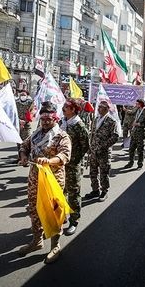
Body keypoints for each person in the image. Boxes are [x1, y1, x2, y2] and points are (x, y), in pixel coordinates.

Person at [18, 102, 71, 264]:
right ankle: (37, 241)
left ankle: (55, 246)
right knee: (34, 210)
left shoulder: (61, 136)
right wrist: (23, 157)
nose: (46, 121)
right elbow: (24, 147)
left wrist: (49, 161)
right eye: (43, 119)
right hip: (34, 180)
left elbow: (64, 156)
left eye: (49, 118)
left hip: (52, 180)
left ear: (55, 118)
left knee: (54, 213)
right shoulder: (35, 134)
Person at [61, 98, 89, 236]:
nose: (63, 108)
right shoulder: (63, 122)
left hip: (72, 166)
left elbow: (85, 146)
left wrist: (74, 160)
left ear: (73, 110)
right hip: (60, 164)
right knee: (60, 193)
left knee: (73, 195)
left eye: (66, 107)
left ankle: (74, 221)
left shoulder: (79, 126)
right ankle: (62, 217)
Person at [85, 100, 119, 201]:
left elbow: (115, 137)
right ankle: (95, 190)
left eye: (100, 107)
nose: (98, 108)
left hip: (103, 152)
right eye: (98, 106)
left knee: (104, 173)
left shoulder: (111, 121)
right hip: (94, 151)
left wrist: (103, 146)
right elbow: (93, 134)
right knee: (93, 172)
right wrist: (90, 147)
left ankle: (104, 191)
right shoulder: (96, 119)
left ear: (106, 109)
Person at [124, 99, 145, 169]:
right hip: (134, 132)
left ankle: (140, 164)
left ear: (140, 104)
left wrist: (139, 124)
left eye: (137, 103)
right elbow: (131, 113)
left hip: (141, 134)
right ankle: (130, 163)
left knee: (140, 150)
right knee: (131, 149)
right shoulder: (137, 110)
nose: (136, 104)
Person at [16, 90, 35, 164]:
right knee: (18, 142)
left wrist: (25, 121)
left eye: (24, 94)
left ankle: (26, 159)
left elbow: (32, 113)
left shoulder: (30, 103)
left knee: (26, 142)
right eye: (21, 94)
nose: (22, 96)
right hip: (18, 125)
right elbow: (13, 113)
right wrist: (19, 121)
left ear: (27, 95)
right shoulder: (16, 102)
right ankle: (20, 158)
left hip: (26, 126)